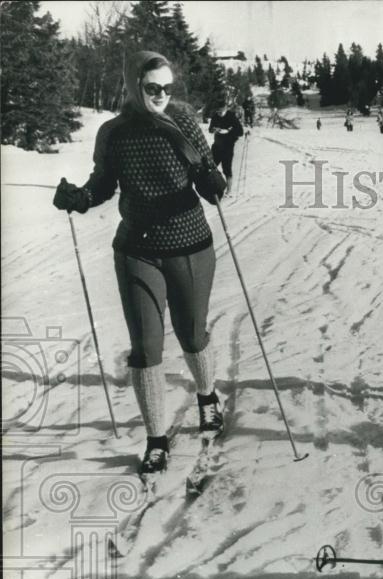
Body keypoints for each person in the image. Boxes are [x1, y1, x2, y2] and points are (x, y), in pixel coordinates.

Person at [51, 51, 228, 476]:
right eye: (153, 88)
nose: (162, 95)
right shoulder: (113, 132)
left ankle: (206, 396)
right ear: (135, 87)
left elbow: (208, 178)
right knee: (146, 347)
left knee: (191, 333)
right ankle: (156, 439)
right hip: (136, 249)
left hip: (190, 245)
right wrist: (80, 198)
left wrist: (212, 181)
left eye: (168, 87)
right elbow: (103, 185)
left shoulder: (183, 121)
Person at [208, 103, 244, 190]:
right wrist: (214, 129)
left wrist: (228, 131)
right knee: (210, 167)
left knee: (227, 169)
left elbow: (240, 132)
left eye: (221, 111)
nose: (219, 113)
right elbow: (210, 129)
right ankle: (212, 188)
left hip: (228, 146)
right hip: (217, 145)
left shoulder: (231, 116)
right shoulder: (215, 116)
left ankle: (229, 190)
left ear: (225, 108)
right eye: (218, 111)